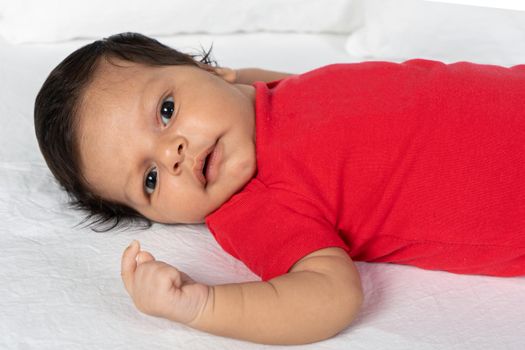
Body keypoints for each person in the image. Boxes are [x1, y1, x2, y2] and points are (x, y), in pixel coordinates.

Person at [34, 32, 525, 345]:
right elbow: (329, 295)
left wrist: (234, 81)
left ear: (207, 70)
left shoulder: (263, 95)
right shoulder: (253, 206)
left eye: (166, 111)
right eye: (150, 180)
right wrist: (201, 304)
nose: (172, 154)